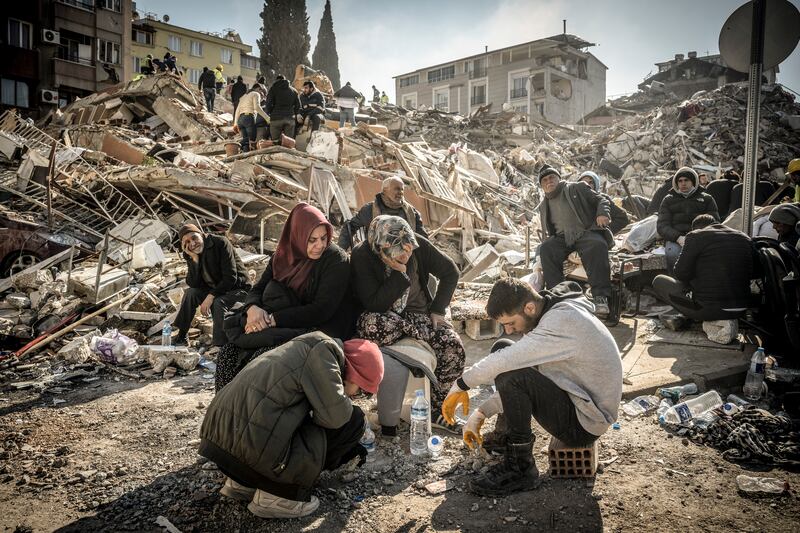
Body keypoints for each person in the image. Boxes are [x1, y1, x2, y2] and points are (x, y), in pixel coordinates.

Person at [441, 277, 621, 496]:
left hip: (585, 424)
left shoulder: (560, 324)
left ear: (529, 307)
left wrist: (460, 385)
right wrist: (481, 412)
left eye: (511, 323)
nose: (508, 330)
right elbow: (522, 365)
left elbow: (507, 366)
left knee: (511, 373)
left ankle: (520, 468)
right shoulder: (553, 310)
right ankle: (505, 436)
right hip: (578, 400)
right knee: (503, 347)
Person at [199, 332, 384, 518]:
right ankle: (278, 494)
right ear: (356, 373)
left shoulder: (303, 346)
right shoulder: (323, 353)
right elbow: (335, 418)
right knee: (354, 419)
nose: (358, 396)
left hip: (220, 445)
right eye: (364, 391)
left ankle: (242, 483)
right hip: (248, 449)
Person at [215, 203, 353, 391]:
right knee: (227, 354)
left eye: (323, 238)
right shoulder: (282, 256)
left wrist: (271, 320)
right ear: (297, 236)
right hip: (276, 323)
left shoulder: (335, 259)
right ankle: (225, 412)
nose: (320, 245)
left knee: (262, 361)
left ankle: (254, 413)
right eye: (312, 240)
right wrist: (253, 309)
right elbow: (258, 288)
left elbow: (321, 310)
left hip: (312, 327)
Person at [351, 215, 464, 433]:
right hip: (383, 317)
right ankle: (414, 336)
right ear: (380, 248)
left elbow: (451, 272)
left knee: (453, 346)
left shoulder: (416, 244)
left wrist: (438, 310)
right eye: (398, 251)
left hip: (417, 316)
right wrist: (400, 274)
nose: (406, 254)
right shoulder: (362, 254)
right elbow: (374, 303)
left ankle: (436, 409)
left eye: (408, 250)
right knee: (373, 324)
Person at [536, 166, 614, 316]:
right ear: (542, 186)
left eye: (552, 177)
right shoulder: (543, 205)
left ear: (559, 178)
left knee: (597, 245)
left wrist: (602, 213)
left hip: (584, 232)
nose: (549, 182)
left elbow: (601, 199)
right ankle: (558, 297)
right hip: (562, 238)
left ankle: (600, 298)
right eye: (545, 180)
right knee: (546, 249)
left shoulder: (576, 188)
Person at [652, 214, 754, 321]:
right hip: (742, 309)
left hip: (710, 310)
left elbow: (680, 273)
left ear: (696, 228)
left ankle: (693, 315)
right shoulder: (744, 237)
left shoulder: (696, 236)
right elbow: (754, 272)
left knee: (658, 281)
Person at [173, 224, 251, 347]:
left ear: (202, 235)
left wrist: (210, 296)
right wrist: (194, 260)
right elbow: (193, 283)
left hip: (237, 289)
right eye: (187, 242)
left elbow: (230, 277)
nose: (192, 243)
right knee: (190, 293)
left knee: (218, 302)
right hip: (215, 288)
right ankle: (182, 336)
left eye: (194, 238)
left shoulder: (220, 242)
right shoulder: (190, 253)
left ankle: (220, 346)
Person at [338, 176, 427, 250]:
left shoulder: (412, 212)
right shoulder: (369, 210)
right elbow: (350, 226)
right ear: (385, 190)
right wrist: (341, 251)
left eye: (402, 190)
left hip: (405, 255)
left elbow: (422, 238)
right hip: (377, 255)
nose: (401, 193)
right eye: (397, 189)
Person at [657, 167, 719, 272]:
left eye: (686, 180)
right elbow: (662, 226)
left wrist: (699, 237)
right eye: (680, 181)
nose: (683, 183)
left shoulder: (706, 199)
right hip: (676, 240)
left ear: (693, 181)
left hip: (701, 239)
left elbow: (715, 222)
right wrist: (678, 237)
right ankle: (676, 284)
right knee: (673, 254)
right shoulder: (668, 200)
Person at [578, 171, 630, 235]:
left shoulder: (602, 199)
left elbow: (622, 218)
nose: (587, 185)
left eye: (591, 182)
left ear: (596, 185)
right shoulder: (572, 198)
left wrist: (604, 233)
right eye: (584, 182)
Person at [232, 85, 270, 152]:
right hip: (248, 118)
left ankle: (245, 155)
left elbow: (237, 110)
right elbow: (257, 107)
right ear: (258, 89)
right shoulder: (256, 94)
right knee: (252, 139)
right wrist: (267, 118)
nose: (261, 95)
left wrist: (235, 123)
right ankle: (235, 145)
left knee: (246, 141)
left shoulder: (244, 96)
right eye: (261, 92)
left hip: (240, 120)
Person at [265, 74, 302, 140]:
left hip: (276, 119)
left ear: (276, 80)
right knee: (288, 142)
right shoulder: (294, 91)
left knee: (275, 142)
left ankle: (276, 149)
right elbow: (298, 106)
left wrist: (269, 113)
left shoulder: (273, 89)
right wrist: (297, 113)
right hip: (290, 118)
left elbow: (268, 103)